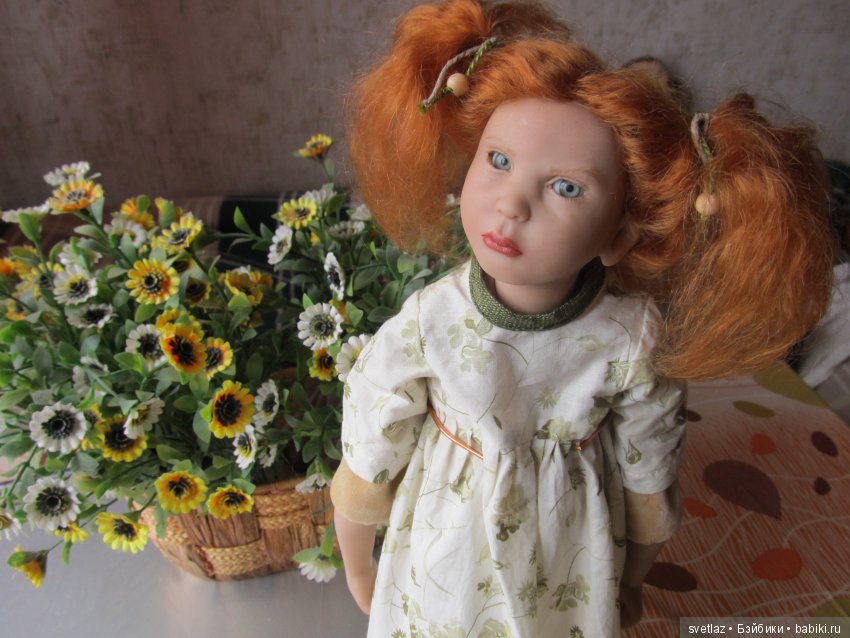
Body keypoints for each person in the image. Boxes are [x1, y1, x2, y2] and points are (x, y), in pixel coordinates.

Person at [330, 1, 835, 635]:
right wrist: (359, 563)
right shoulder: (430, 324)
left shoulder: (628, 339)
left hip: (570, 554)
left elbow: (649, 473)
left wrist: (631, 577)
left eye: (565, 187)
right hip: (446, 555)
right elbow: (370, 453)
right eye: (499, 160)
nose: (512, 204)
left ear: (619, 236)